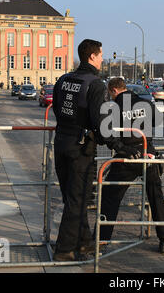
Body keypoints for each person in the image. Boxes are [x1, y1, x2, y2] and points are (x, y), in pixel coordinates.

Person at [94, 77, 164, 254]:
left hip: (127, 157)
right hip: (148, 155)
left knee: (110, 198)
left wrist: (121, 148)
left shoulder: (113, 108)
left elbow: (106, 136)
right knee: (156, 197)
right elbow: (158, 120)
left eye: (110, 93)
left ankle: (101, 241)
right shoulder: (144, 102)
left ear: (113, 90)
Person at [51, 39, 108, 261]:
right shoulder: (95, 84)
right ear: (92, 57)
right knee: (78, 198)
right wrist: (111, 142)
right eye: (100, 54)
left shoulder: (64, 79)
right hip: (81, 149)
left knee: (73, 198)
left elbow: (56, 108)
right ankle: (64, 249)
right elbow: (99, 121)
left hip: (62, 142)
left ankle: (84, 243)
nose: (102, 58)